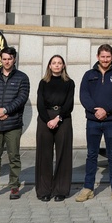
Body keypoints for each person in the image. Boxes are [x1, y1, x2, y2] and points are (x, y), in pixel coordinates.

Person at [75, 44, 112, 202]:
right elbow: (84, 95)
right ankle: (88, 188)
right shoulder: (88, 74)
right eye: (102, 56)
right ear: (98, 57)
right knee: (91, 155)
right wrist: (94, 110)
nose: (105, 60)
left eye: (108, 56)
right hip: (93, 121)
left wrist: (106, 110)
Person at [0, 46, 31, 200]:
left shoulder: (22, 78)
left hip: (13, 124)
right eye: (4, 59)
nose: (7, 61)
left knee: (13, 156)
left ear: (14, 59)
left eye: (9, 59)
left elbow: (21, 99)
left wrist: (6, 110)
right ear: (0, 60)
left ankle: (14, 186)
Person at [35, 54, 75, 202]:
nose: (57, 65)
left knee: (63, 154)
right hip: (45, 118)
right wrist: (48, 120)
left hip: (63, 118)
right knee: (44, 154)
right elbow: (39, 103)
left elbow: (69, 104)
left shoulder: (69, 83)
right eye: (54, 63)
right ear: (49, 66)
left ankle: (60, 190)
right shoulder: (43, 82)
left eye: (59, 63)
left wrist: (58, 118)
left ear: (63, 66)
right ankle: (44, 190)